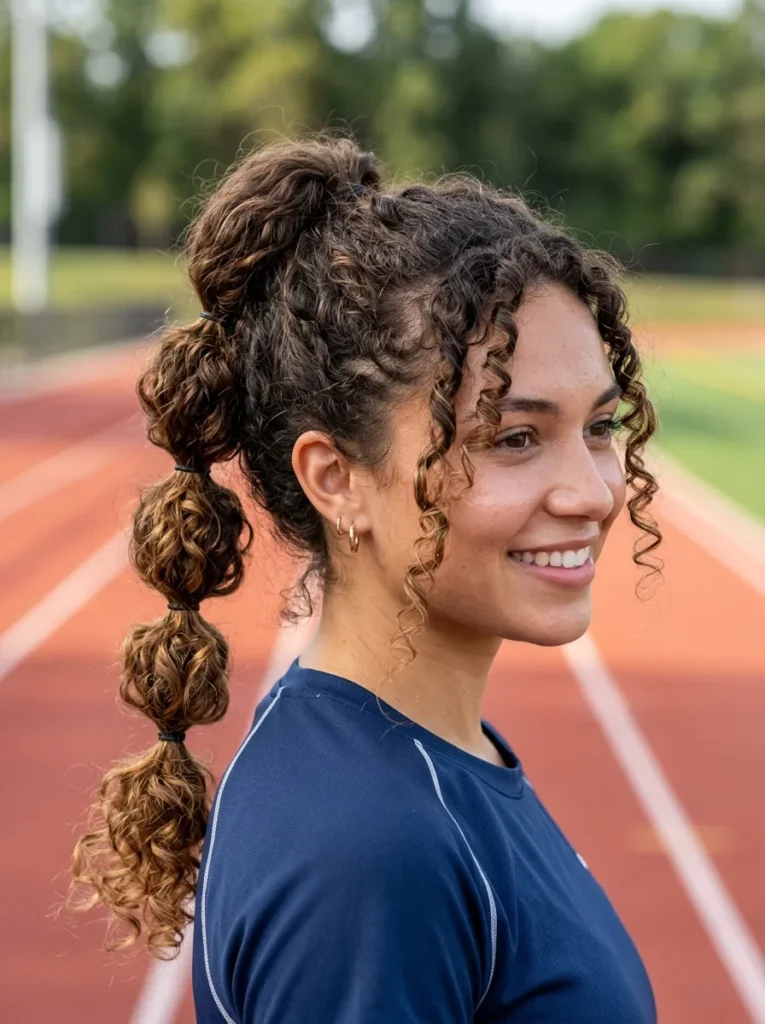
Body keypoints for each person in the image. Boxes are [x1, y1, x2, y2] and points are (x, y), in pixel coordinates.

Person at [69, 136, 661, 1022]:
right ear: (335, 477)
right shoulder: (369, 855)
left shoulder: (422, 762)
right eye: (513, 438)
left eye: (600, 426)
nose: (590, 490)